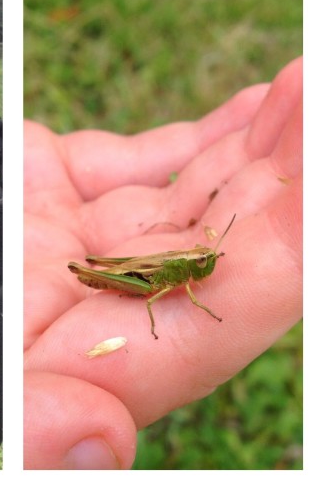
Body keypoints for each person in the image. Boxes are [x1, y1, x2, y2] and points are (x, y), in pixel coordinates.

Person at [23, 57, 302, 469]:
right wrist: (166, 320)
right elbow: (155, 302)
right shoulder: (181, 278)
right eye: (205, 259)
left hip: (149, 267)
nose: (209, 263)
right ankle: (91, 273)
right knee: (143, 291)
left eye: (208, 259)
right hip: (137, 280)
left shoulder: (194, 261)